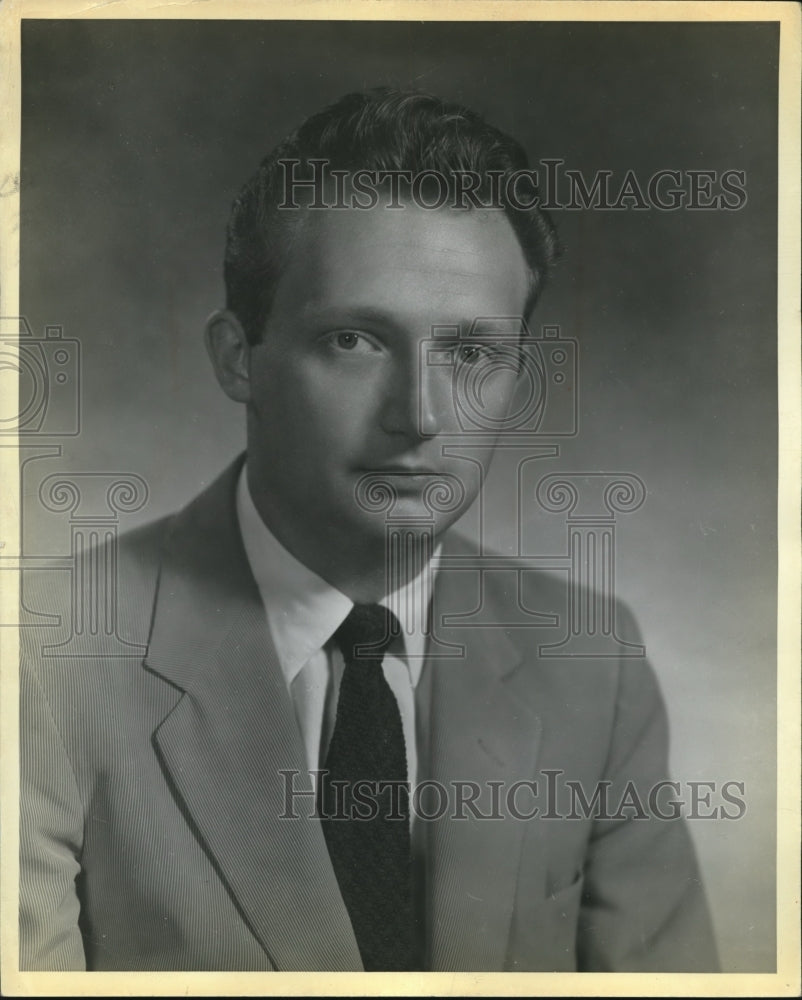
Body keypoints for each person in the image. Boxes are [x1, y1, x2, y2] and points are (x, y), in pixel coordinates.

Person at [19, 88, 719, 972]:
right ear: (240, 359)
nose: (421, 415)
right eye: (355, 341)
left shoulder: (593, 659)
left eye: (471, 354)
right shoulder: (41, 655)